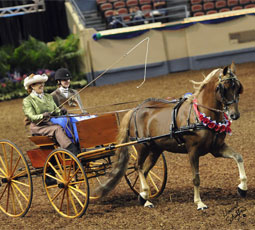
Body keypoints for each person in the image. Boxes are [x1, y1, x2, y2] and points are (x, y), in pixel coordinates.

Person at [23, 73, 80, 155]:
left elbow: (55, 110)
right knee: (57, 129)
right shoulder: (28, 100)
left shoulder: (48, 97)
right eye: (39, 84)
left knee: (69, 120)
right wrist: (42, 115)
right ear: (32, 86)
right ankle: (71, 150)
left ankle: (77, 143)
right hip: (39, 126)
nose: (42, 85)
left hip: (50, 122)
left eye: (42, 83)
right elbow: (31, 116)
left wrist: (61, 111)